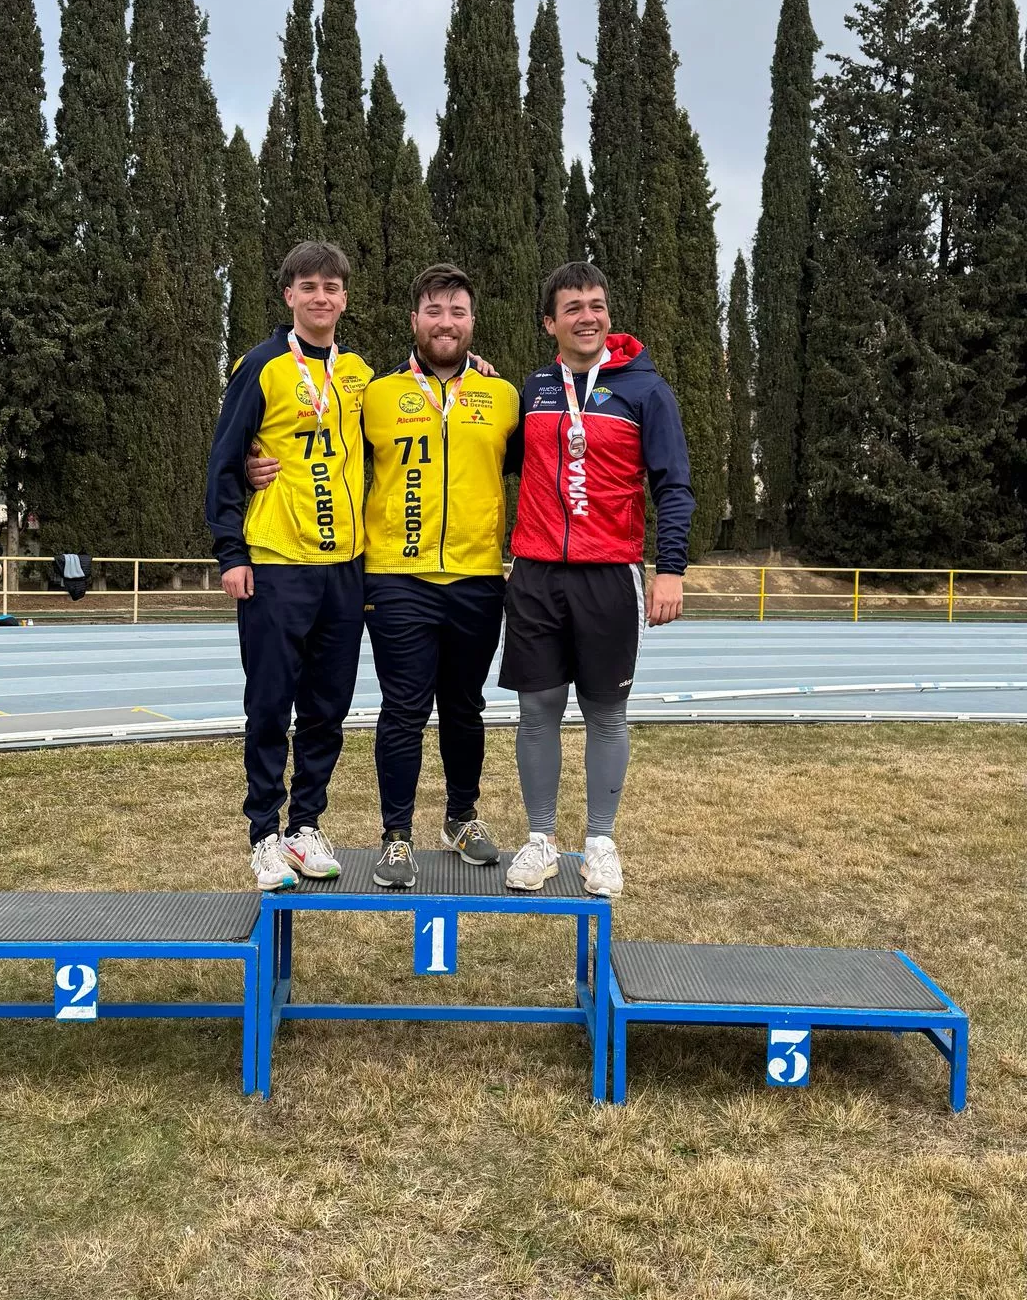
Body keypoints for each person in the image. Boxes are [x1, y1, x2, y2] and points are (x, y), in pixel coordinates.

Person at [500, 261, 694, 899]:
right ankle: (540, 839)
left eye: (597, 305)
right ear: (549, 323)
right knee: (537, 712)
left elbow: (674, 487)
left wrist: (670, 570)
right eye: (573, 307)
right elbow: (480, 456)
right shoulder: (533, 390)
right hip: (534, 574)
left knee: (607, 714)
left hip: (610, 574)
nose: (588, 316)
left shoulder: (645, 390)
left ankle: (602, 844)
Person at [206, 242, 374, 891]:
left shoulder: (359, 373)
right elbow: (225, 463)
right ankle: (264, 835)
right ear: (289, 296)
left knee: (329, 708)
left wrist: (469, 363)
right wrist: (231, 552)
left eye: (332, 287)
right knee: (271, 706)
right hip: (276, 564)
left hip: (344, 569)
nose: (322, 298)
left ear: (345, 298)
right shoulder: (261, 366)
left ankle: (306, 825)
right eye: (309, 287)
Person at [350, 266, 519, 887]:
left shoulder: (504, 398)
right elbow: (328, 454)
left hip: (478, 577)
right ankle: (396, 835)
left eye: (457, 311)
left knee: (465, 707)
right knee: (403, 709)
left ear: (473, 322)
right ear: (413, 320)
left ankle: (461, 817)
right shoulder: (377, 393)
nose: (445, 322)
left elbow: (541, 465)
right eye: (433, 310)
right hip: (396, 575)